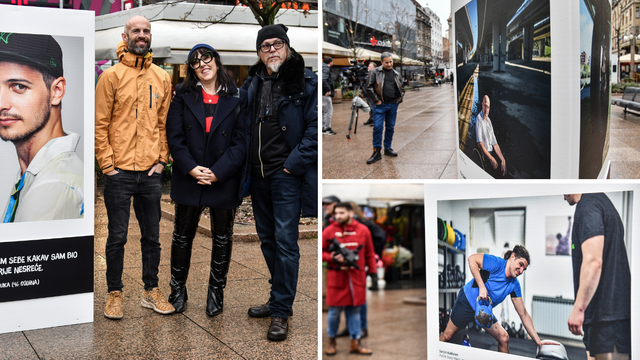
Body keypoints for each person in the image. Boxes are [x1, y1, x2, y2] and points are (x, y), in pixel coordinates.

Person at [241, 24, 318, 341]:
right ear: (259, 52)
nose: (271, 50)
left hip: (285, 176)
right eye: (265, 46)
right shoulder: (252, 82)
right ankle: (277, 298)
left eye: (277, 44)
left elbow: (314, 132)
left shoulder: (305, 80)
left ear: (287, 47)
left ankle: (282, 312)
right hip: (257, 176)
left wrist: (291, 166)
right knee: (268, 241)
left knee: (286, 245)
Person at [95, 15, 174, 319]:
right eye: (136, 31)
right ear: (125, 36)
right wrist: (108, 165)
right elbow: (100, 125)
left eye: (146, 31)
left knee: (152, 236)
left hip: (150, 173)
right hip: (120, 173)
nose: (142, 35)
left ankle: (150, 291)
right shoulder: (111, 77)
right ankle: (114, 293)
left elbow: (164, 123)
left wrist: (162, 160)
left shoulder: (162, 77)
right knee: (117, 236)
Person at [165, 44, 247, 316]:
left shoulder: (237, 96)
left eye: (206, 58)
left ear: (217, 61)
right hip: (190, 177)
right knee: (181, 236)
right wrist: (191, 168)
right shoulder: (181, 95)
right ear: (191, 69)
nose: (202, 64)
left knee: (222, 237)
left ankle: (216, 292)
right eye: (195, 61)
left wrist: (218, 171)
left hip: (223, 178)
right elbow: (175, 138)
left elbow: (241, 141)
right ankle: (177, 289)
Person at [0, 33, 84, 223]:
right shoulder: (35, 171)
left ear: (57, 91)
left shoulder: (54, 185)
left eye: (19, 86)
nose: (1, 104)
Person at [439, 245, 552, 353]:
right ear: (513, 257)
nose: (521, 271)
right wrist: (482, 287)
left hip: (484, 311)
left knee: (504, 338)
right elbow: (471, 259)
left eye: (524, 269)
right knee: (447, 336)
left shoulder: (514, 285)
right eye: (520, 264)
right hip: (466, 302)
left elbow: (523, 314)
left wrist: (538, 341)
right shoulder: (497, 264)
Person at [564, 194, 631, 360]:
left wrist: (578, 309)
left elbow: (594, 262)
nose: (563, 196)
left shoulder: (588, 205)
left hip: (608, 318)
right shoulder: (600, 203)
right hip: (602, 316)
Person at [322, 202, 376, 355]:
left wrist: (374, 274)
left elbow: (370, 254)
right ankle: (331, 341)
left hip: (356, 279)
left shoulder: (363, 230)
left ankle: (355, 342)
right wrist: (332, 257)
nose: (338, 216)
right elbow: (321, 252)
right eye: (336, 213)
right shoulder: (328, 231)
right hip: (337, 279)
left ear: (351, 213)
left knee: (355, 312)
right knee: (334, 312)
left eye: (341, 213)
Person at [365, 52, 404, 164]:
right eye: (386, 62)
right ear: (381, 62)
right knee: (377, 127)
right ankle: (376, 151)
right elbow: (368, 87)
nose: (389, 64)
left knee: (390, 127)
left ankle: (388, 148)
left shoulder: (396, 73)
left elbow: (402, 87)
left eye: (390, 62)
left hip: (393, 104)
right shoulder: (374, 72)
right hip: (380, 105)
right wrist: (376, 101)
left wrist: (399, 99)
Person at [476, 95, 506, 177]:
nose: (486, 109)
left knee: (502, 168)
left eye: (488, 107)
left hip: (491, 153)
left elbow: (495, 143)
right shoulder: (479, 119)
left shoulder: (489, 121)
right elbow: (479, 144)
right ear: (482, 104)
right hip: (485, 156)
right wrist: (491, 159)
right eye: (485, 106)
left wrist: (503, 160)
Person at [322, 56, 336, 135]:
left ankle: (322, 128)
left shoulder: (321, 67)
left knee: (322, 112)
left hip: (321, 93)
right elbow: (323, 79)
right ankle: (327, 128)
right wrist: (328, 90)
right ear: (330, 62)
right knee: (328, 111)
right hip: (325, 94)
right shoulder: (326, 68)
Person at [362, 61, 377, 126]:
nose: (368, 67)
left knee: (373, 106)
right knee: (369, 106)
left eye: (369, 66)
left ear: (373, 67)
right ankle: (371, 118)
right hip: (367, 93)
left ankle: (375, 120)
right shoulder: (367, 74)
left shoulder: (375, 74)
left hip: (372, 93)